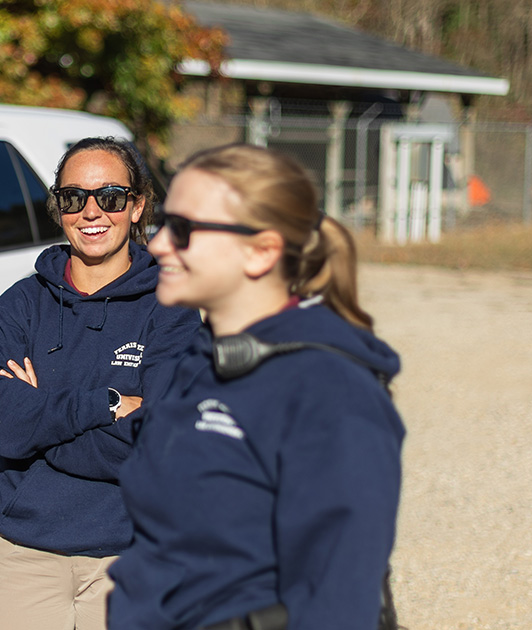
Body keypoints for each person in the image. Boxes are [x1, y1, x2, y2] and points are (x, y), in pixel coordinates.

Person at [108, 143, 405, 630]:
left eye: (183, 229)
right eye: (162, 224)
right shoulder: (200, 362)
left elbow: (338, 602)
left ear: (261, 251)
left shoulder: (329, 390)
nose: (158, 245)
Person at [0, 137, 200, 630]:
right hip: (25, 553)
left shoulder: (172, 311)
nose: (92, 211)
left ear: (137, 206)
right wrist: (107, 404)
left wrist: (41, 417)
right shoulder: (18, 307)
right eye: (73, 197)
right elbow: (6, 427)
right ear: (59, 208)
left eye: (110, 196)